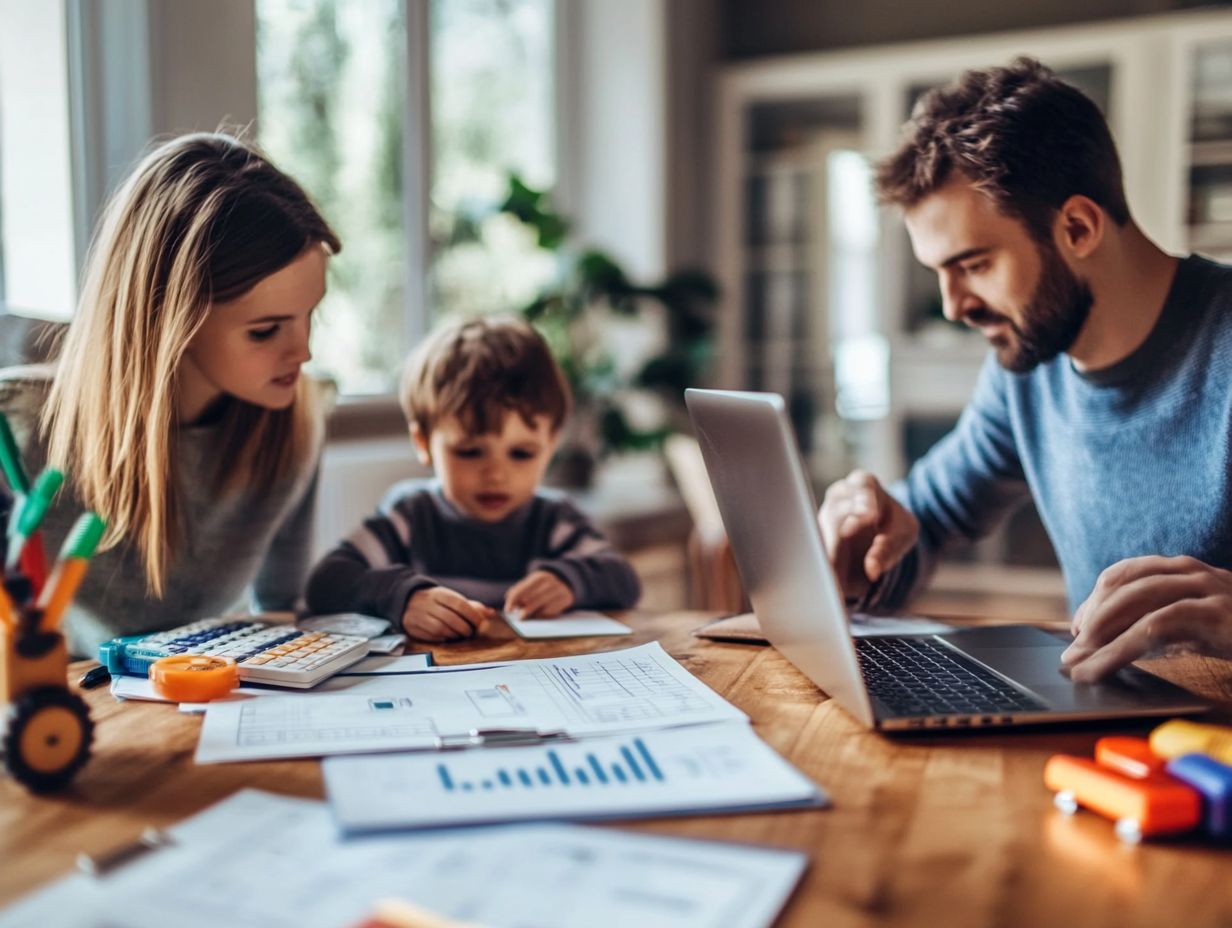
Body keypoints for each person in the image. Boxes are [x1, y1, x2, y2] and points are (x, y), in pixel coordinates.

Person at [817, 57, 1232, 683]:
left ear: (1078, 226)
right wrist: (867, 539)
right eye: (940, 274)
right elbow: (928, 517)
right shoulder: (1027, 369)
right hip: (1110, 741)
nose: (954, 306)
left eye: (975, 265)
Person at [0, 131, 340, 657]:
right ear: (169, 321)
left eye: (309, 316)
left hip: (205, 705)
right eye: (265, 330)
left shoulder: (300, 416)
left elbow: (282, 608)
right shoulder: (17, 430)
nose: (303, 352)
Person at [305, 315, 641, 641]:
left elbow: (623, 580)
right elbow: (327, 582)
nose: (496, 474)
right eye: (469, 452)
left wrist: (570, 582)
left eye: (522, 453)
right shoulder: (410, 515)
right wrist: (401, 597)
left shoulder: (554, 520)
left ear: (550, 445)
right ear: (423, 443)